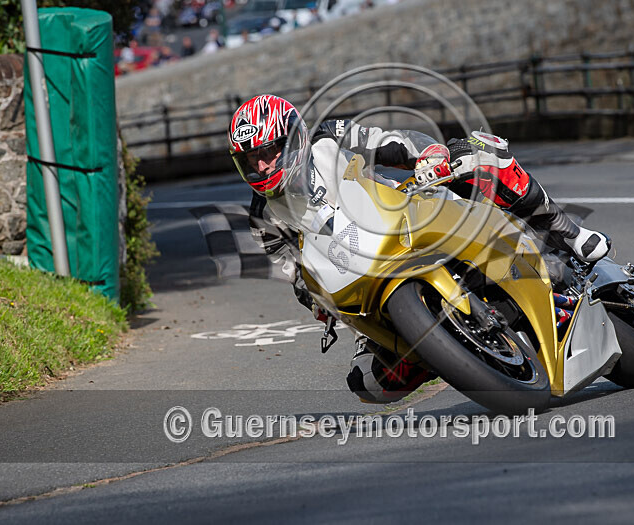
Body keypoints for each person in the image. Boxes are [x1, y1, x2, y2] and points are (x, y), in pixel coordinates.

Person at [228, 94, 611, 403]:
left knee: (477, 156)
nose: (261, 166)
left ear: (294, 137)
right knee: (369, 383)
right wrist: (319, 305)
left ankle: (567, 232)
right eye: (250, 160)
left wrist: (428, 155)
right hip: (361, 274)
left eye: (269, 152)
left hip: (406, 212)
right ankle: (442, 350)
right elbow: (295, 273)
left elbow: (388, 142)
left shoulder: (328, 138)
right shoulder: (263, 217)